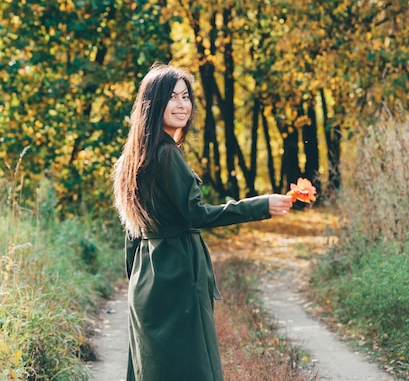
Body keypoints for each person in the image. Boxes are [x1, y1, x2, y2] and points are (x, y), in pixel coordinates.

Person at [112, 63, 294, 381]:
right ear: (153, 104)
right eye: (173, 97)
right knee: (192, 369)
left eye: (186, 97)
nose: (183, 105)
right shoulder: (166, 155)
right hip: (179, 275)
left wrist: (135, 282)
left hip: (146, 280)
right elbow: (197, 214)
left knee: (154, 369)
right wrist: (260, 205)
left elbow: (132, 232)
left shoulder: (134, 156)